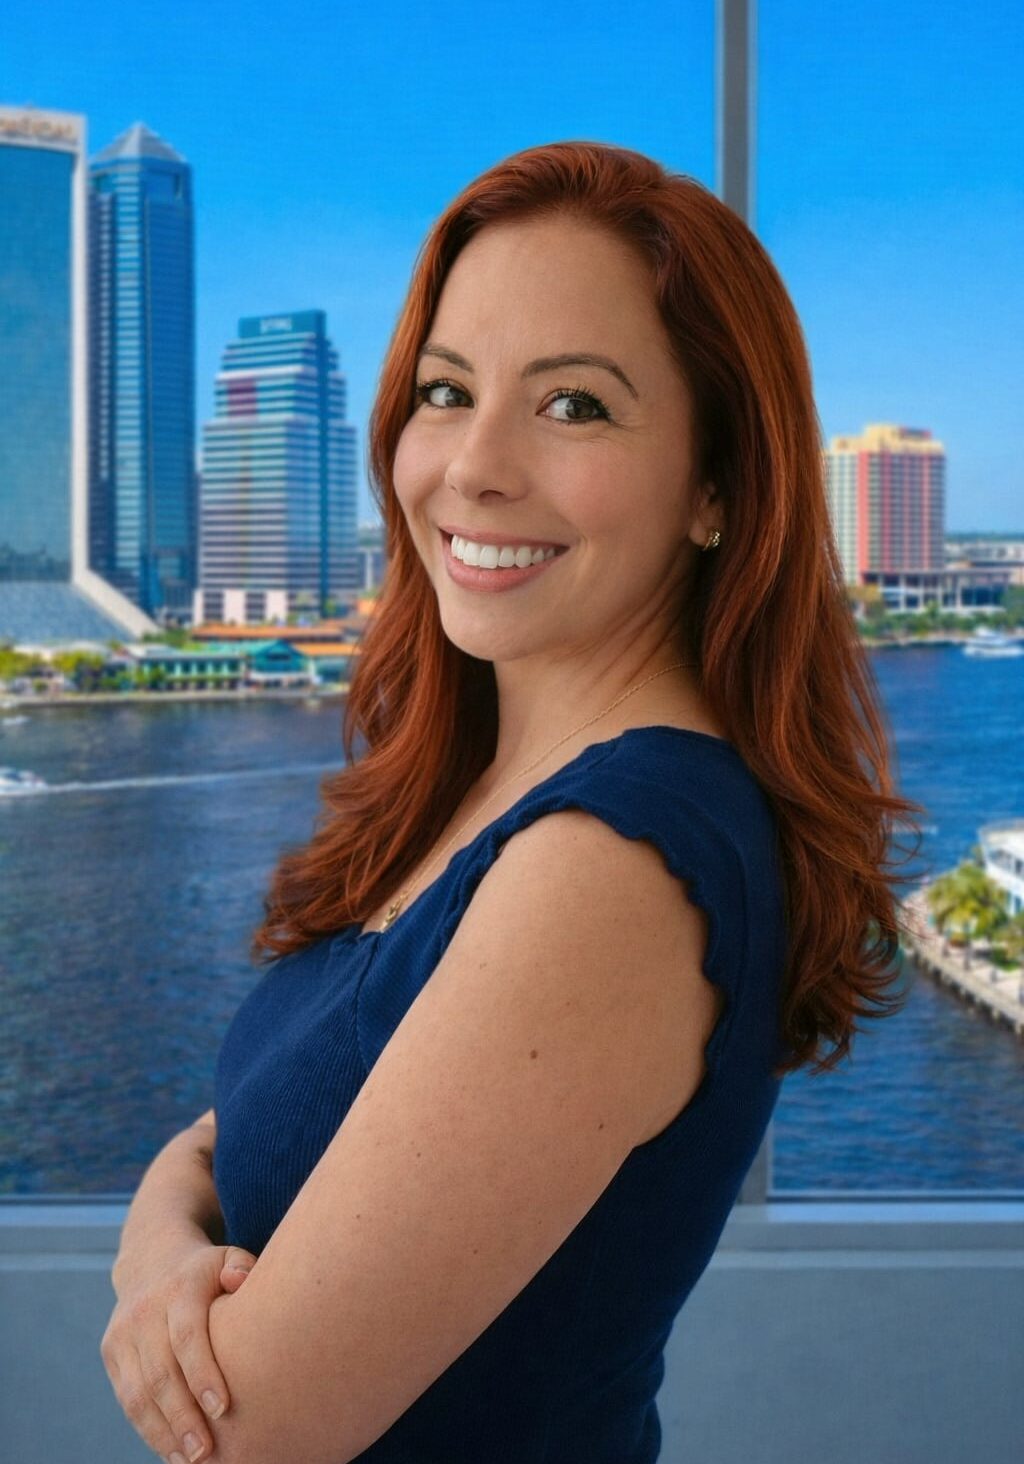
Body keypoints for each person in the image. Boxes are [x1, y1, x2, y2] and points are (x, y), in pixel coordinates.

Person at [101, 139, 923, 1464]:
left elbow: (252, 1427)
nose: (473, 467)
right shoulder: (492, 792)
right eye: (446, 391)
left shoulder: (611, 860)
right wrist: (156, 1252)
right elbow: (219, 1140)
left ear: (717, 485)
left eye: (574, 405)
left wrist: (155, 1277)